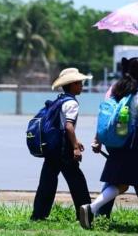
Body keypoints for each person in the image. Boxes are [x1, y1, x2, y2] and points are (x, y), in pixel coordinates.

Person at [80, 57, 138, 231]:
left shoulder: (118, 90)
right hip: (136, 144)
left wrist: (97, 139)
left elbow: (106, 115)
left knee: (121, 183)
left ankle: (91, 208)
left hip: (119, 143)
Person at [30, 68, 92, 221]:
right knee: (77, 181)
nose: (82, 86)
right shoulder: (72, 103)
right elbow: (68, 126)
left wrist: (76, 141)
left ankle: (38, 215)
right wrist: (75, 148)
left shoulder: (60, 99)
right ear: (72, 85)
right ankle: (85, 215)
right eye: (79, 83)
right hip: (64, 150)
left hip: (52, 147)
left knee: (47, 182)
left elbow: (60, 125)